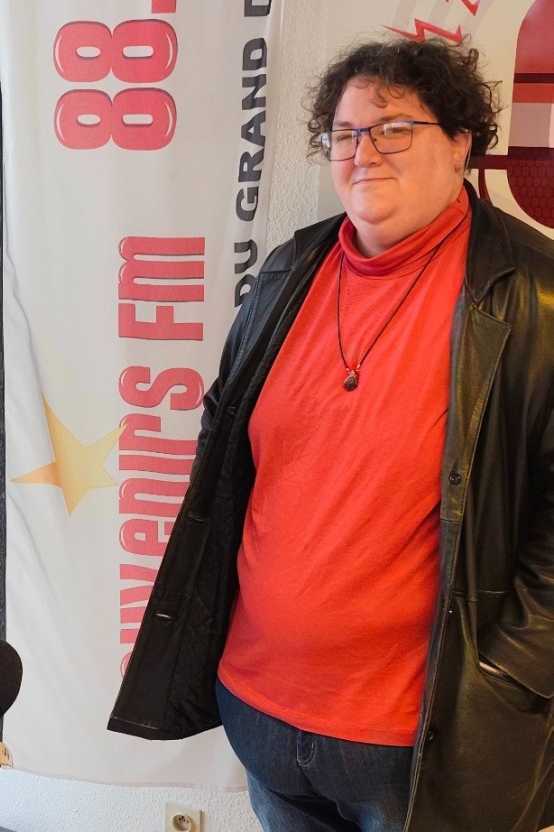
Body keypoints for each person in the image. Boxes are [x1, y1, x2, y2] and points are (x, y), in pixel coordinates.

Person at [109, 36, 554, 832]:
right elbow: (224, 460)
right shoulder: (288, 273)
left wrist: (507, 677)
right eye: (344, 134)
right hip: (261, 715)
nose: (362, 153)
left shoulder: (534, 296)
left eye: (393, 129)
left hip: (424, 744)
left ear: (460, 142)